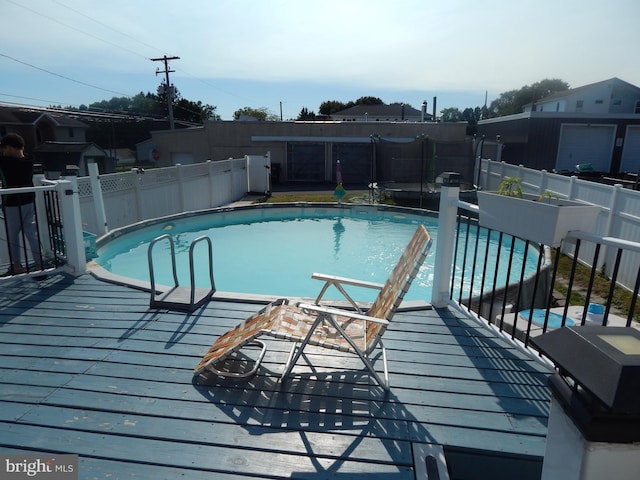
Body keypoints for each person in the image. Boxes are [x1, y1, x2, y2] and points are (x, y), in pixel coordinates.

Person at [0, 133, 43, 276]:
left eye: (4, 149)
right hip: (28, 201)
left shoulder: (5, 162)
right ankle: (39, 265)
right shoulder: (29, 160)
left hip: (11, 203)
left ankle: (17, 266)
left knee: (13, 236)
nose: (3, 152)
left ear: (11, 148)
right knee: (32, 234)